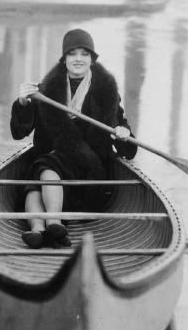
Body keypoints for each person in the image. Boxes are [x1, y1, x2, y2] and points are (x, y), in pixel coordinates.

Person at [11, 29, 137, 249]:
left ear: (92, 59)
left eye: (84, 54)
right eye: (72, 53)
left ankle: (49, 223)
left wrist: (122, 133)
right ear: (64, 59)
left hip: (88, 175)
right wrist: (23, 104)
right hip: (51, 172)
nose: (78, 59)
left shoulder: (106, 93)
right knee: (39, 174)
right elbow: (18, 133)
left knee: (44, 168)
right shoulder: (44, 92)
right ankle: (41, 229)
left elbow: (128, 149)